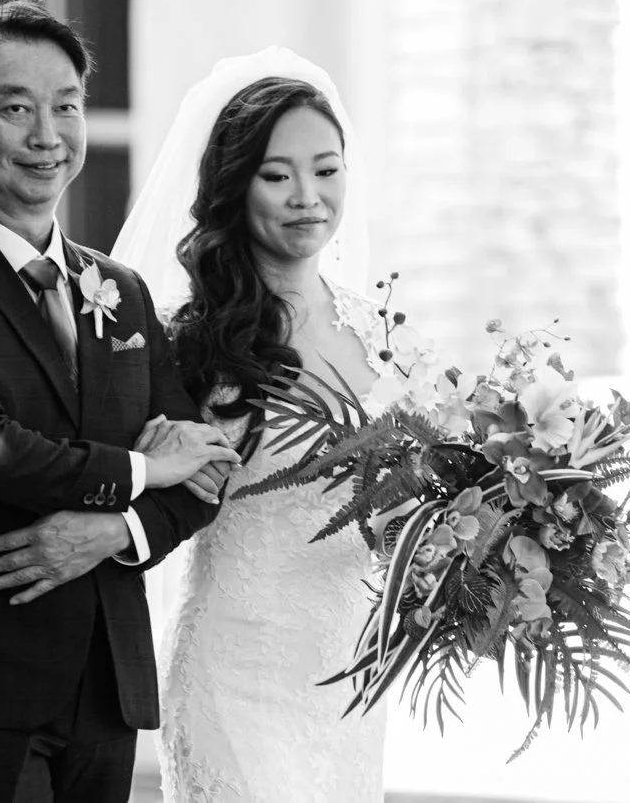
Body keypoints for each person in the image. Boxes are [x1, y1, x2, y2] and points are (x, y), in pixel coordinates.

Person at [0, 0, 238, 803]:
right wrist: (140, 470)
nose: (47, 136)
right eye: (15, 108)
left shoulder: (121, 291)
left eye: (66, 106)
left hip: (106, 671)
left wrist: (117, 530)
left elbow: (202, 470)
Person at [110, 48, 403, 802]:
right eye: (278, 175)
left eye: (327, 170)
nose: (309, 196)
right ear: (235, 187)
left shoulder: (386, 333)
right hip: (236, 673)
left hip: (350, 674)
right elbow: (149, 494)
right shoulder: (191, 341)